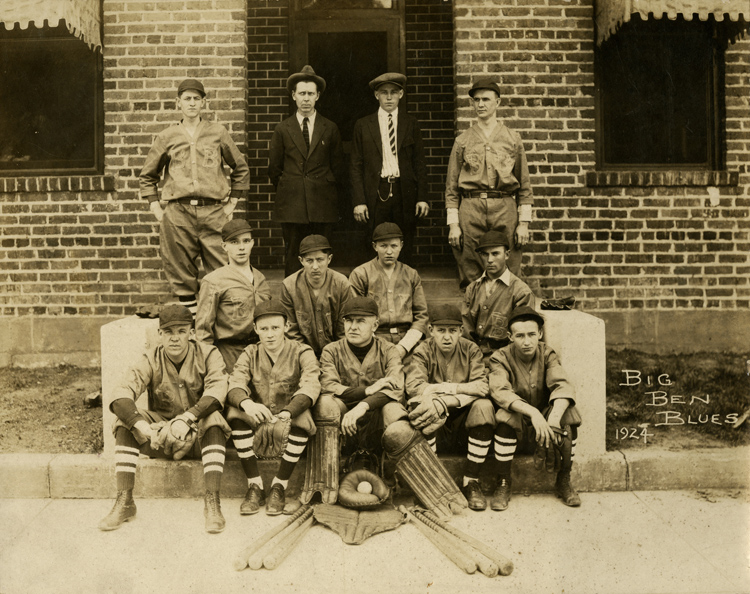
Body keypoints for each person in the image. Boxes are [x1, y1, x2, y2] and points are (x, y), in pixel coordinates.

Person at [98, 304, 231, 533]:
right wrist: (142, 425)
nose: (175, 338)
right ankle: (125, 500)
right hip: (163, 438)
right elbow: (120, 394)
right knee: (124, 422)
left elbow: (217, 392)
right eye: (169, 332)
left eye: (181, 331)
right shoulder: (150, 358)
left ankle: (212, 502)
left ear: (192, 333)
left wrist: (187, 418)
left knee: (214, 418)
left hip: (201, 438)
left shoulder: (209, 354)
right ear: (160, 335)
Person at [139, 78, 250, 313]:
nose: (192, 103)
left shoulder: (217, 132)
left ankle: (220, 322)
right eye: (187, 99)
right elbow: (148, 175)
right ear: (178, 103)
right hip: (178, 211)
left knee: (221, 264)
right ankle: (190, 319)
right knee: (179, 266)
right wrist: (156, 208)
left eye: (196, 99)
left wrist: (232, 202)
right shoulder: (167, 136)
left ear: (203, 102)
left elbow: (240, 167)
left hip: (213, 210)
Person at [225, 300, 321, 515]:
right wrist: (247, 404)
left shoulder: (301, 351)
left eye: (275, 328)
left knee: (304, 417)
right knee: (235, 414)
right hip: (260, 415)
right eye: (264, 328)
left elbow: (311, 383)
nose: (270, 334)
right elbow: (235, 382)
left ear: (286, 327)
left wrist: (289, 411)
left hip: (288, 415)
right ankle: (255, 485)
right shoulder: (250, 352)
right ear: (255, 329)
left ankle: (280, 485)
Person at [488, 306, 582, 510]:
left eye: (532, 334)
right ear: (510, 336)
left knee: (570, 415)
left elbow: (562, 384)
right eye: (520, 335)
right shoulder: (500, 357)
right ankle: (503, 482)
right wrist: (533, 413)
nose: (527, 341)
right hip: (520, 421)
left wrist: (554, 418)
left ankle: (564, 479)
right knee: (505, 417)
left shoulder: (547, 353)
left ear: (540, 333)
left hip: (547, 424)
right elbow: (500, 391)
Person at [405, 303, 497, 511]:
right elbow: (414, 387)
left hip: (463, 422)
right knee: (422, 404)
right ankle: (432, 481)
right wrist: (462, 389)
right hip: (435, 426)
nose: (447, 337)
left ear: (460, 331)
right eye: (441, 331)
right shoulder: (422, 350)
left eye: (452, 331)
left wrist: (444, 397)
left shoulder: (471, 349)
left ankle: (471, 480)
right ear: (431, 331)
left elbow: (481, 388)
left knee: (483, 406)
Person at [445, 78, 533, 287]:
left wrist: (523, 223)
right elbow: (451, 189)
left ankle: (508, 314)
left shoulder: (512, 139)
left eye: (486, 99)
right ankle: (474, 313)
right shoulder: (463, 141)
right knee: (470, 263)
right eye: (476, 100)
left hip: (505, 206)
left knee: (509, 263)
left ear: (498, 103)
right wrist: (454, 225)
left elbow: (525, 187)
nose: (481, 104)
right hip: (470, 207)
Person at [268, 65, 345, 277]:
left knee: (321, 254)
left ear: (318, 96)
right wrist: (293, 185)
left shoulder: (329, 128)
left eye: (311, 94)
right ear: (293, 95)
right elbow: (274, 169)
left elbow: (338, 167)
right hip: (292, 203)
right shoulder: (283, 129)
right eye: (302, 93)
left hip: (322, 201)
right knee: (294, 253)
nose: (306, 99)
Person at [350, 72, 429, 265]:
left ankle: (403, 286)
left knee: (404, 239)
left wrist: (422, 197)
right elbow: (355, 165)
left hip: (404, 190)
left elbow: (419, 163)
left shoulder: (411, 124)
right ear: (376, 95)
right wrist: (359, 201)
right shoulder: (363, 125)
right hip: (376, 191)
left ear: (401, 94)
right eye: (384, 92)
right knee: (374, 239)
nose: (389, 97)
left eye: (394, 92)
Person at [195, 219, 271, 373]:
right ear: (224, 246)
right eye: (234, 242)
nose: (241, 247)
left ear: (252, 243)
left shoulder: (260, 278)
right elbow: (203, 331)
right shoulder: (214, 281)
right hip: (229, 354)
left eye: (246, 241)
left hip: (259, 353)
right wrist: (211, 366)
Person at [349, 222, 428, 361]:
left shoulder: (411, 274)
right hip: (373, 342)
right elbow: (356, 315)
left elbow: (421, 316)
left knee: (416, 375)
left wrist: (403, 347)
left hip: (407, 342)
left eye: (394, 246)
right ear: (375, 246)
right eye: (383, 246)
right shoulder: (361, 274)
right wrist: (378, 347)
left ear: (401, 245)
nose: (389, 251)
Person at [463, 230, 535, 361]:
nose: (489, 260)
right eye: (485, 254)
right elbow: (466, 330)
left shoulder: (521, 292)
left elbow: (522, 335)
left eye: (495, 253)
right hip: (473, 357)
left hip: (505, 358)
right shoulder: (472, 289)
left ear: (507, 255)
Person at [280, 234, 353, 357]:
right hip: (300, 354)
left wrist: (333, 357)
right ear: (301, 260)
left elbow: (344, 329)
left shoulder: (341, 284)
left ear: (329, 259)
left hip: (338, 353)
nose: (315, 267)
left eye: (320, 260)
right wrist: (307, 358)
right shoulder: (289, 286)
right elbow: (291, 331)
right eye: (309, 260)